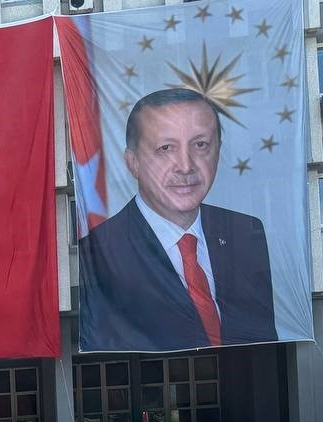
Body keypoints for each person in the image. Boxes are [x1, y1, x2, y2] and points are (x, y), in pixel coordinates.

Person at [79, 87, 275, 351]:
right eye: (166, 148)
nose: (185, 165)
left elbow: (262, 343)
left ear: (218, 152)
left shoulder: (246, 233)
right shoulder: (101, 251)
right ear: (132, 162)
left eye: (201, 145)